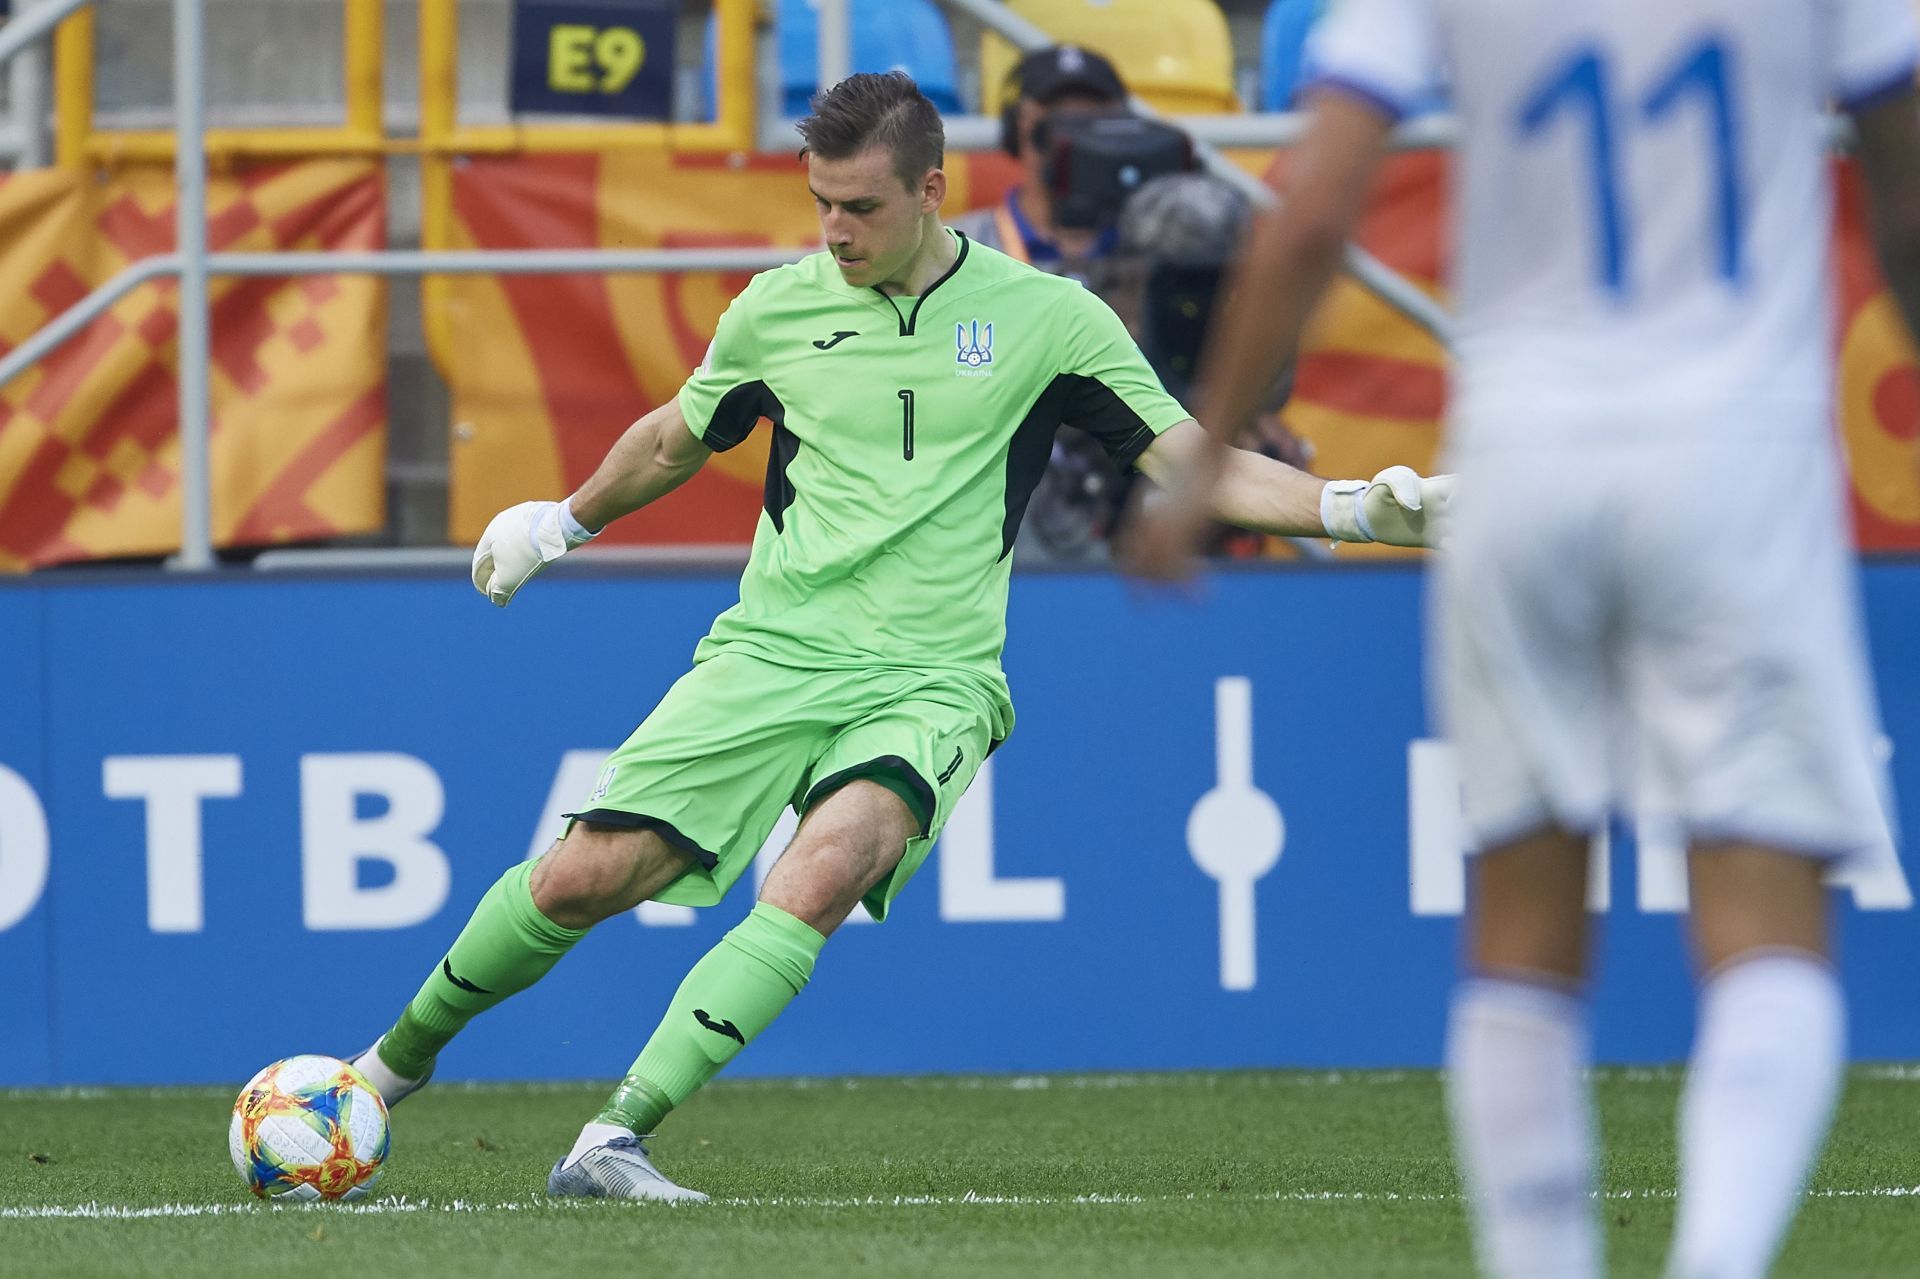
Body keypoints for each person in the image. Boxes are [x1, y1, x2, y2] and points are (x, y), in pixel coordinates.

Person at [345, 70, 1447, 1203]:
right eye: (821, 203)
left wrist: (1354, 507)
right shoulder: (776, 308)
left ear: (932, 190)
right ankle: (386, 1070)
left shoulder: (1051, 320)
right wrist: (561, 520)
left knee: (819, 872)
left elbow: (1193, 462)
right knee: (587, 875)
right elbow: (678, 437)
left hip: (933, 679)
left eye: (860, 207)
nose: (835, 230)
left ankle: (614, 1138)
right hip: (770, 653)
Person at [1127, 1, 1920, 1276]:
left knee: (1523, 921)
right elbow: (1909, 208)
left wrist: (1207, 450)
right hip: (1740, 455)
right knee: (1767, 915)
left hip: (1525, 454)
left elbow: (1317, 204)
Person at [949, 44, 1130, 281]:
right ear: (1017, 126)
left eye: (1091, 120)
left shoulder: (1154, 241)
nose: (1071, 138)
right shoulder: (955, 248)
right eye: (1057, 116)